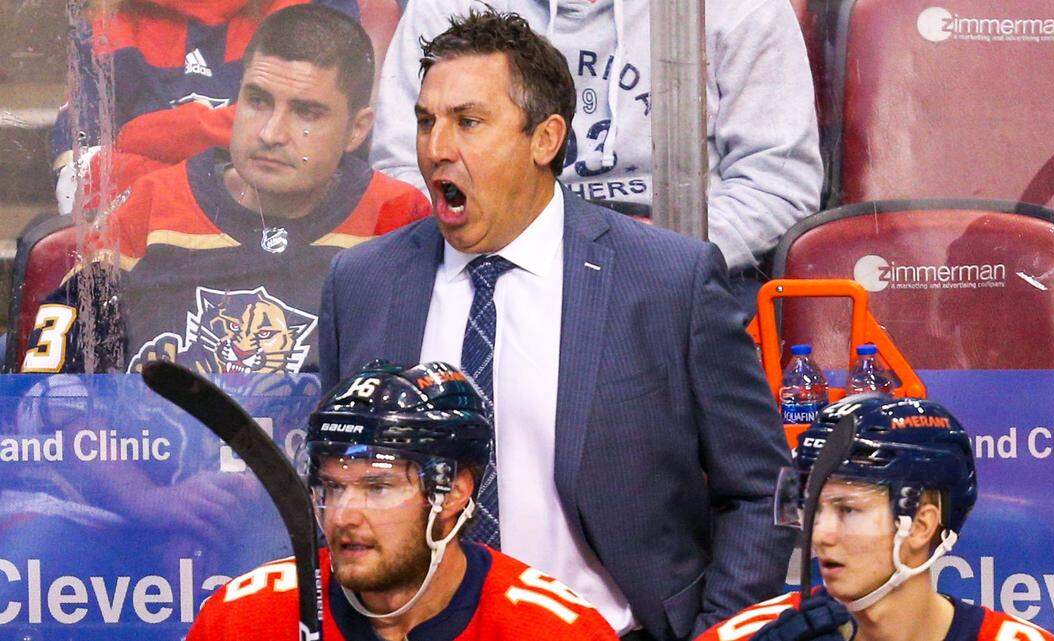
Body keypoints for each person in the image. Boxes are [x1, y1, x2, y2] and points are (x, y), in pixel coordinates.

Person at [320, 10, 794, 640]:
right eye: (426, 121)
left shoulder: (666, 281)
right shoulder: (363, 283)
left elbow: (763, 490)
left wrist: (712, 635)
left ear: (544, 139)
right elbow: (334, 478)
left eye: (468, 122)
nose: (437, 148)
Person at [23, 4, 429, 375]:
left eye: (306, 112)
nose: (271, 133)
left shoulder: (399, 215)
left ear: (357, 129)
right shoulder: (149, 207)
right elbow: (48, 392)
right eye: (257, 101)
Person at [370, 0, 823, 274]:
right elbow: (402, 174)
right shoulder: (445, 8)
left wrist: (655, 259)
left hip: (678, 264)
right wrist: (525, 253)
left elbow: (777, 184)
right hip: (493, 258)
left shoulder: (743, 8)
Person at [186, 360, 620, 641]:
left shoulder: (554, 631)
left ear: (452, 492)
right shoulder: (241, 620)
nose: (343, 516)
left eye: (378, 488)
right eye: (333, 487)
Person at [696, 395, 1054, 641]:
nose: (820, 535)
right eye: (814, 508)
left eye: (848, 510)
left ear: (920, 524)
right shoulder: (751, 635)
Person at [52, 0, 363, 217]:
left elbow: (310, 146)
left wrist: (142, 136)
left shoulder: (319, 6)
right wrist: (224, 174)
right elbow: (78, 181)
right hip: (147, 249)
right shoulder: (105, 23)